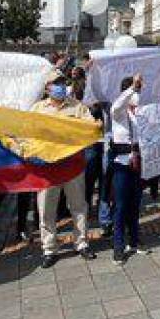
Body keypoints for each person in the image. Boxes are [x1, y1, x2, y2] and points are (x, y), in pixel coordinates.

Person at [29, 74, 98, 267]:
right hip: (47, 168)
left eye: (61, 82)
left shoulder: (77, 107)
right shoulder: (37, 109)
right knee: (46, 210)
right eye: (55, 83)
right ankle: (49, 249)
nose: (60, 86)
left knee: (78, 206)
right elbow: (29, 133)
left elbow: (90, 126)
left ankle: (81, 243)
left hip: (72, 165)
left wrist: (95, 125)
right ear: (47, 88)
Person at [108, 75, 147, 264]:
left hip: (137, 163)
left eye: (138, 90)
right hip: (122, 164)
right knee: (121, 205)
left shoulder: (137, 113)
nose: (137, 94)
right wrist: (132, 87)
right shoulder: (118, 113)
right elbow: (117, 105)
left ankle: (134, 240)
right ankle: (118, 245)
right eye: (135, 91)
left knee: (135, 203)